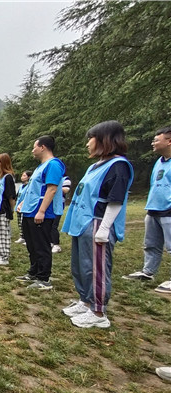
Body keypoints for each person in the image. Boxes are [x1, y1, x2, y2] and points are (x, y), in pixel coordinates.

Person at [61, 120, 134, 328]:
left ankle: (99, 312)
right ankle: (85, 301)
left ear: (105, 140)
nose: (88, 144)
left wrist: (104, 229)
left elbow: (116, 199)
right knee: (81, 266)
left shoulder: (118, 165)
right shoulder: (96, 165)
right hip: (82, 222)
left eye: (91, 139)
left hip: (97, 223)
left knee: (96, 269)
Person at [122, 126, 171, 294]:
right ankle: (148, 272)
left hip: (168, 211)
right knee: (151, 244)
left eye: (157, 140)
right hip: (153, 209)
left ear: (169, 141)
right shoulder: (159, 162)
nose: (153, 143)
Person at [17, 136, 65, 290]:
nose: (32, 150)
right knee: (31, 244)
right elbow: (34, 190)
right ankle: (34, 272)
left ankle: (44, 278)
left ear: (43, 147)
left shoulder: (54, 165)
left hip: (42, 213)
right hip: (29, 211)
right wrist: (24, 203)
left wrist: (42, 211)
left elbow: (51, 189)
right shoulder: (40, 167)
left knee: (41, 245)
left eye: (34, 146)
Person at [51, 173, 71, 253]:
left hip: (58, 205)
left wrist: (53, 188)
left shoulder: (65, 179)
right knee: (48, 225)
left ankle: (56, 245)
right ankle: (51, 242)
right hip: (49, 204)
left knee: (54, 225)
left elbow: (66, 190)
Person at [14, 170, 32, 245]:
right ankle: (22, 236)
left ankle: (27, 238)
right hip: (18, 206)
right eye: (22, 175)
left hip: (25, 207)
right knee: (19, 222)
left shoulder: (30, 186)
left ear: (29, 177)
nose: (22, 177)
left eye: (24, 176)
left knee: (24, 222)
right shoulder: (21, 186)